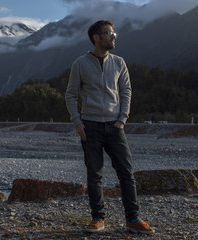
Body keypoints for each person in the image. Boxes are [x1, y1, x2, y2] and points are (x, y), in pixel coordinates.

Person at [65, 20, 154, 234]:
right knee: (94, 175)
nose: (113, 36)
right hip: (90, 126)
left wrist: (122, 119)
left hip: (115, 127)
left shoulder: (119, 62)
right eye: (109, 33)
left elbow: (126, 91)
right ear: (97, 37)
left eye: (114, 33)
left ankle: (133, 219)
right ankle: (98, 218)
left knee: (126, 172)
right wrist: (77, 122)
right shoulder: (80, 63)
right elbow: (70, 94)